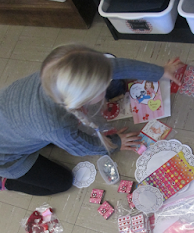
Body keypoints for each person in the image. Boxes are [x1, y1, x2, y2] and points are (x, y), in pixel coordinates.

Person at [0, 44, 183, 196]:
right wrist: (117, 142)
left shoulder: (60, 71)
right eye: (101, 89)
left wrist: (160, 72)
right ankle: (6, 182)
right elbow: (84, 147)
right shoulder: (57, 126)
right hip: (6, 158)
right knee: (62, 182)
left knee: (116, 85)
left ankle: (37, 140)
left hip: (18, 125)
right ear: (81, 101)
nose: (106, 88)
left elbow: (112, 66)